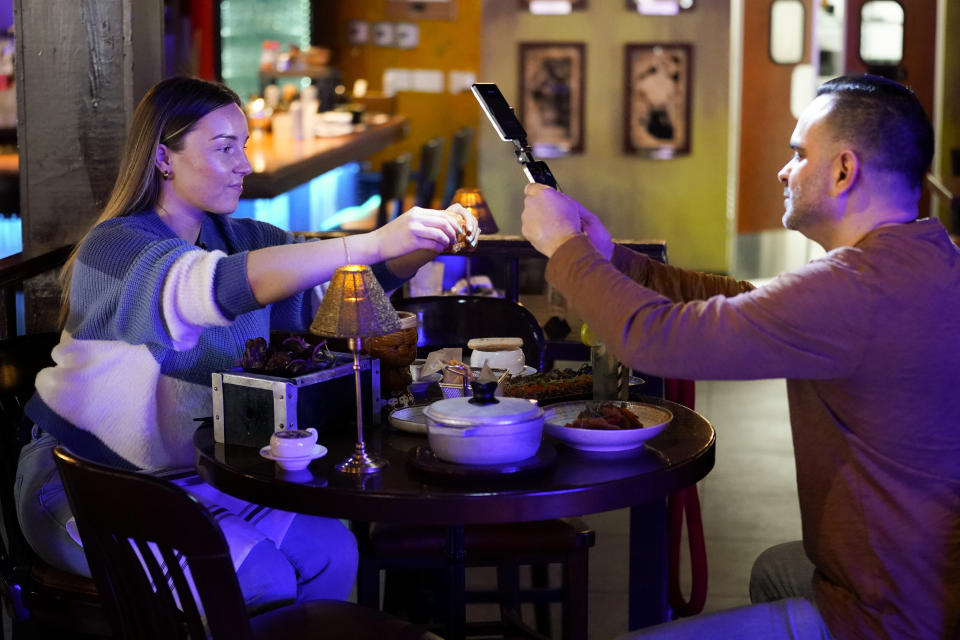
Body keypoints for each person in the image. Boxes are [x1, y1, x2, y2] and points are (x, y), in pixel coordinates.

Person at [15, 76, 478, 614]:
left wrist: (420, 245)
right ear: (164, 157)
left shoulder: (245, 239)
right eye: (224, 147)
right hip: (83, 483)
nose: (246, 164)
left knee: (333, 552)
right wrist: (374, 239)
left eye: (245, 145)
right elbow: (211, 285)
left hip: (189, 477)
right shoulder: (115, 245)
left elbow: (339, 297)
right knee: (262, 580)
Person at [520, 74, 959, 639]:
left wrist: (565, 249)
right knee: (777, 568)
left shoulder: (860, 286)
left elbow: (658, 340)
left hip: (886, 617)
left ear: (845, 170)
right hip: (924, 583)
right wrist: (610, 258)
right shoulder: (922, 256)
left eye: (799, 154)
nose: (784, 169)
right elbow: (750, 305)